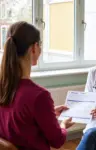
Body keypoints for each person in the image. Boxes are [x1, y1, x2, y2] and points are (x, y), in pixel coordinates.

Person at [0, 21, 74, 150]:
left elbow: (20, 121)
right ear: (34, 48)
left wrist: (49, 114)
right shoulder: (39, 96)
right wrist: (62, 125)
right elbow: (57, 141)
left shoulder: (3, 87)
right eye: (40, 45)